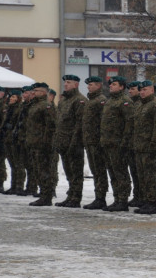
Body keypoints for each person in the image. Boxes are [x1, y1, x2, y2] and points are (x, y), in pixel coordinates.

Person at [131, 80, 156, 215]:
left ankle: (152, 203)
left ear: (152, 90)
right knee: (142, 176)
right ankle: (145, 201)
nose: (142, 92)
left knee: (151, 176)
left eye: (145, 89)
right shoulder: (140, 105)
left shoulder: (155, 105)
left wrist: (154, 146)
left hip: (149, 148)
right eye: (141, 90)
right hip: (140, 147)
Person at [101, 77, 133, 212]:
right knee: (113, 173)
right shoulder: (110, 101)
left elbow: (129, 123)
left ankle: (123, 200)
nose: (111, 87)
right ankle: (117, 198)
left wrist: (124, 142)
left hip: (118, 143)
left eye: (114, 84)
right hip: (108, 143)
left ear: (121, 87)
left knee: (121, 173)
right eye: (110, 85)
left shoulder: (125, 101)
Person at [55, 74, 87, 207]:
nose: (66, 84)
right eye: (65, 82)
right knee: (69, 171)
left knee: (76, 172)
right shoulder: (63, 101)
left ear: (76, 84)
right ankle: (70, 195)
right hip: (63, 142)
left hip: (74, 142)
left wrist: (74, 143)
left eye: (69, 82)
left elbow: (79, 124)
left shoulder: (79, 100)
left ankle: (76, 197)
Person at [25, 82, 58, 207]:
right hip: (34, 143)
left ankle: (46, 196)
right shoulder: (34, 105)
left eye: (37, 91)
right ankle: (43, 193)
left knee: (44, 171)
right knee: (38, 170)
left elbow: (50, 126)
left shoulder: (46, 106)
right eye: (33, 91)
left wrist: (46, 142)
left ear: (44, 92)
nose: (34, 93)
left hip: (43, 144)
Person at [81, 77, 109, 210]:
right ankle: (98, 196)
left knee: (99, 170)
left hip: (97, 142)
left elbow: (102, 123)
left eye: (91, 85)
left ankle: (101, 197)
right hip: (90, 141)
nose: (88, 87)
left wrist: (100, 139)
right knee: (95, 171)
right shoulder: (91, 101)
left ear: (98, 86)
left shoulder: (101, 101)